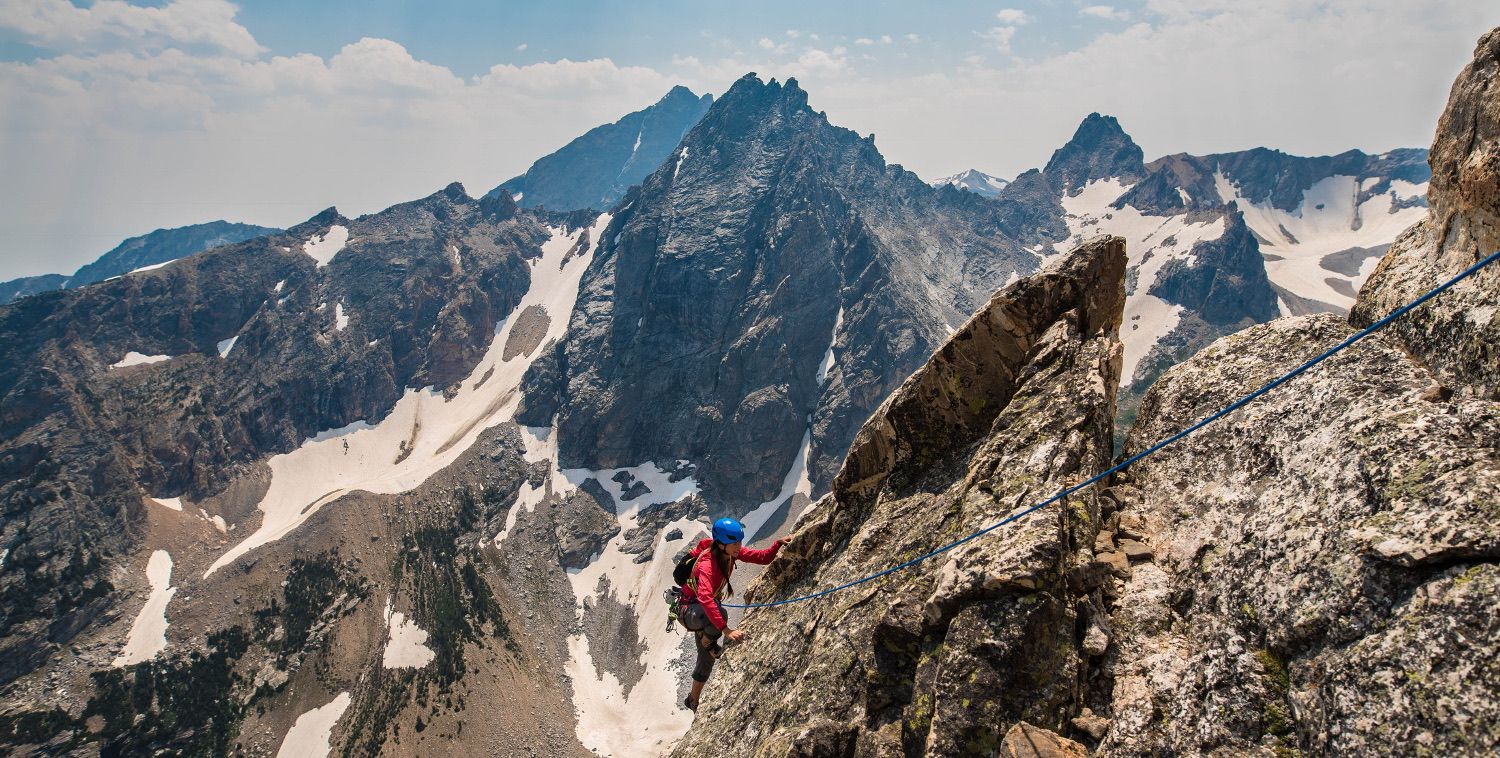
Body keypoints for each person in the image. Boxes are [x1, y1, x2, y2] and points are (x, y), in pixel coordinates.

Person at [677, 517, 782, 711]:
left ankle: (692, 700)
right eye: (734, 543)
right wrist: (725, 630)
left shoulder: (730, 553)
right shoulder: (707, 564)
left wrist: (777, 544)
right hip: (690, 611)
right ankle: (708, 641)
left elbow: (763, 558)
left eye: (739, 542)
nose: (739, 546)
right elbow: (706, 599)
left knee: (706, 660)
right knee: (720, 614)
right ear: (720, 544)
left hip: (700, 611)